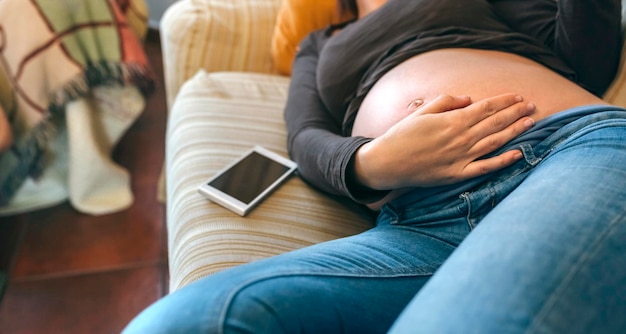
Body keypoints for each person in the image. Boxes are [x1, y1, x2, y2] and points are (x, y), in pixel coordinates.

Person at [124, 0, 626, 332]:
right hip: (421, 228)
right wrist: (376, 160)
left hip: (559, 154)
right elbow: (304, 136)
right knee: (180, 323)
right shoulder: (319, 43)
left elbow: (588, 54)